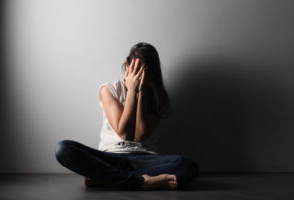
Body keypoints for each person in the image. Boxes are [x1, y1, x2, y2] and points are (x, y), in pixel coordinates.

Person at [54, 42, 199, 190]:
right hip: (110, 158)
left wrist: (140, 91)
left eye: (145, 71)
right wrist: (131, 91)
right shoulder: (109, 90)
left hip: (146, 159)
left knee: (187, 165)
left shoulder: (156, 96)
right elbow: (124, 133)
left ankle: (108, 178)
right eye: (137, 69)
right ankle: (141, 182)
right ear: (127, 67)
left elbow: (139, 136)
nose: (141, 75)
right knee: (63, 149)